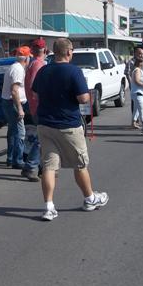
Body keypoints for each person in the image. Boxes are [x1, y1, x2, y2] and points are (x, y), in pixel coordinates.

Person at [32, 38, 109, 221]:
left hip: (45, 124)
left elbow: (35, 94)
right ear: (68, 52)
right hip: (68, 125)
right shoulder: (74, 71)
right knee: (80, 164)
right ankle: (90, 198)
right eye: (72, 50)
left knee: (49, 166)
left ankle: (49, 207)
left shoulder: (43, 71)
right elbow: (83, 98)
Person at [22, 38, 47, 181]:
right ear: (44, 50)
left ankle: (41, 167)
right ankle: (31, 166)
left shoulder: (33, 64)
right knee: (43, 138)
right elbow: (35, 88)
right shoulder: (38, 65)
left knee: (43, 138)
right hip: (39, 106)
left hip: (34, 106)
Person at [1, 45, 30, 169]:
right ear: (27, 58)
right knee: (20, 132)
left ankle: (11, 158)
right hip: (12, 103)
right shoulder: (18, 70)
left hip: (8, 102)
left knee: (13, 131)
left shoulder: (13, 67)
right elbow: (14, 91)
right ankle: (18, 160)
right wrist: (20, 108)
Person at [130, 56, 143, 129]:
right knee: (142, 108)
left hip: (137, 93)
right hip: (137, 93)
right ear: (140, 63)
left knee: (136, 109)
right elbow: (137, 81)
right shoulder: (137, 70)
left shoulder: (138, 70)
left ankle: (133, 123)